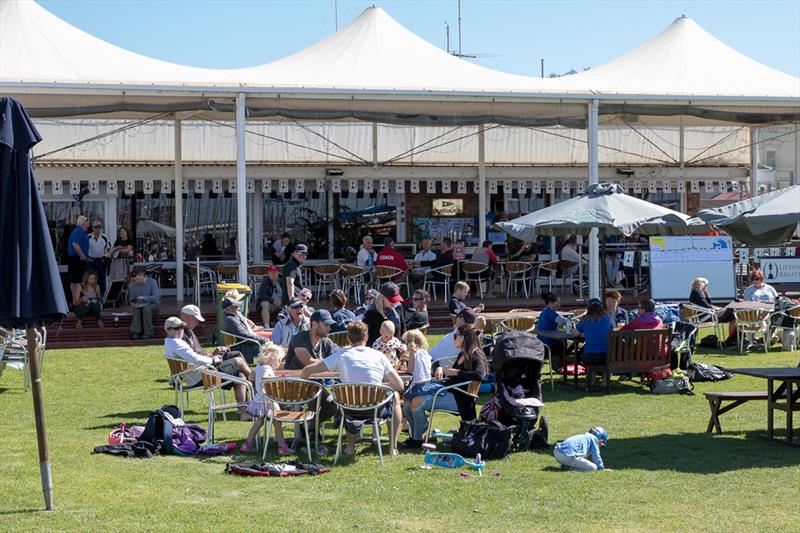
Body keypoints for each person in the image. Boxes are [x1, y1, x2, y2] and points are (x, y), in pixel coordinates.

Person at [301, 321, 405, 457]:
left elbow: (307, 370)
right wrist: (379, 387)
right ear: (366, 337)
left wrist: (304, 386)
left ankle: (350, 447)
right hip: (375, 408)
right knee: (395, 397)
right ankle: (393, 446)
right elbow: (399, 385)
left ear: (348, 338)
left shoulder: (340, 355)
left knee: (350, 401)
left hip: (349, 408)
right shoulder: (379, 356)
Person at [163, 316, 252, 419]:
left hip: (197, 373)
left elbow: (193, 358)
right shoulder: (176, 343)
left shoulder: (169, 342)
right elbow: (194, 358)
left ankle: (244, 412)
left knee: (240, 375)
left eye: (182, 328)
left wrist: (212, 356)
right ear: (167, 330)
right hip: (202, 376)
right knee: (238, 361)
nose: (180, 331)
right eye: (177, 328)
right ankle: (256, 384)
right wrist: (213, 360)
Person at [240, 343, 291, 455]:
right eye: (278, 361)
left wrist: (275, 377)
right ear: (271, 358)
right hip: (268, 401)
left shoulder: (259, 367)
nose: (279, 364)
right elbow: (265, 379)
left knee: (258, 423)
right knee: (277, 423)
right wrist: (276, 380)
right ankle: (282, 447)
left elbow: (251, 377)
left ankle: (247, 444)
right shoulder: (267, 368)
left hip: (258, 400)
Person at [399, 329, 433, 447]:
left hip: (418, 387)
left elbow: (410, 371)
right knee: (407, 405)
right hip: (427, 386)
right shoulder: (424, 352)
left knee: (406, 404)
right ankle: (415, 434)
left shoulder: (413, 353)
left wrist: (404, 366)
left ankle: (418, 432)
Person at [220, 297, 266, 363]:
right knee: (271, 347)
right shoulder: (231, 320)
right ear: (228, 308)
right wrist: (261, 339)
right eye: (235, 306)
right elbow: (243, 335)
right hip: (244, 347)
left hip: (242, 344)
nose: (238, 308)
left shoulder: (231, 317)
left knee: (271, 345)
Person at [576, 298, 614, 372]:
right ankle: (605, 381)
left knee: (580, 352)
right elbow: (611, 330)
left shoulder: (585, 319)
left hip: (590, 356)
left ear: (588, 308)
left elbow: (576, 333)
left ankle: (591, 379)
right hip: (606, 356)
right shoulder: (606, 318)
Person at [128, 268, 160, 339]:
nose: (136, 281)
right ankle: (135, 332)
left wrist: (145, 298)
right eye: (134, 280)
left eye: (137, 279)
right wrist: (133, 304)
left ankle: (148, 332)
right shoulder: (132, 285)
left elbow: (156, 296)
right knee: (137, 310)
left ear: (142, 275)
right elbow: (132, 300)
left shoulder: (152, 282)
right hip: (140, 305)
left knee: (146, 309)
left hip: (153, 305)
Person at [67, 215, 91, 307]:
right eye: (87, 224)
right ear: (83, 224)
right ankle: (76, 302)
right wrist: (82, 256)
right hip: (77, 259)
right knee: (77, 281)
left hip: (74, 259)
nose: (88, 225)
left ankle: (74, 301)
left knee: (74, 281)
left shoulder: (77, 231)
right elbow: (75, 244)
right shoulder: (79, 231)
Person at [87, 220, 111, 295]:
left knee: (102, 281)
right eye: (96, 227)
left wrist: (106, 257)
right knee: (91, 280)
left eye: (99, 227)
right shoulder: (87, 237)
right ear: (92, 228)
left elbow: (109, 249)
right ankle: (91, 298)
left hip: (101, 261)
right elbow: (83, 249)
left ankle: (102, 299)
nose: (97, 228)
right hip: (91, 261)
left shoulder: (105, 237)